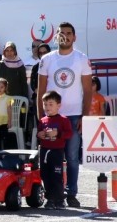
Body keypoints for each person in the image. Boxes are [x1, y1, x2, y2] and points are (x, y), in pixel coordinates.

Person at [37, 22, 92, 208]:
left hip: (74, 116)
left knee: (72, 157)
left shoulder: (81, 59)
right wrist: (40, 119)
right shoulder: (46, 59)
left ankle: (71, 193)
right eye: (62, 33)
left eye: (69, 33)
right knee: (51, 157)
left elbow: (87, 90)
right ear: (56, 36)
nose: (65, 36)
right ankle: (52, 195)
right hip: (51, 118)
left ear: (74, 37)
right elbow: (41, 90)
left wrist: (84, 116)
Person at [37, 90, 73, 210]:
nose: (47, 107)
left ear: (59, 105)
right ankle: (50, 199)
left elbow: (69, 134)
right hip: (44, 151)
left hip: (57, 151)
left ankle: (59, 199)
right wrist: (40, 134)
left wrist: (58, 133)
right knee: (45, 175)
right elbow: (39, 133)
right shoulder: (43, 120)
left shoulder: (63, 120)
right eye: (45, 104)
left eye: (50, 104)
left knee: (56, 175)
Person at [30, 43, 51, 120]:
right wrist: (38, 92)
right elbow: (32, 84)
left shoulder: (54, 65)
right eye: (40, 53)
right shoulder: (35, 67)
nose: (43, 55)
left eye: (45, 52)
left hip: (52, 97)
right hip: (39, 97)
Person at [0, 78, 12, 150]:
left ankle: (6, 153)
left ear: (5, 88)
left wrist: (9, 121)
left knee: (5, 138)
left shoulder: (8, 98)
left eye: (2, 87)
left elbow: (9, 110)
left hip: (4, 121)